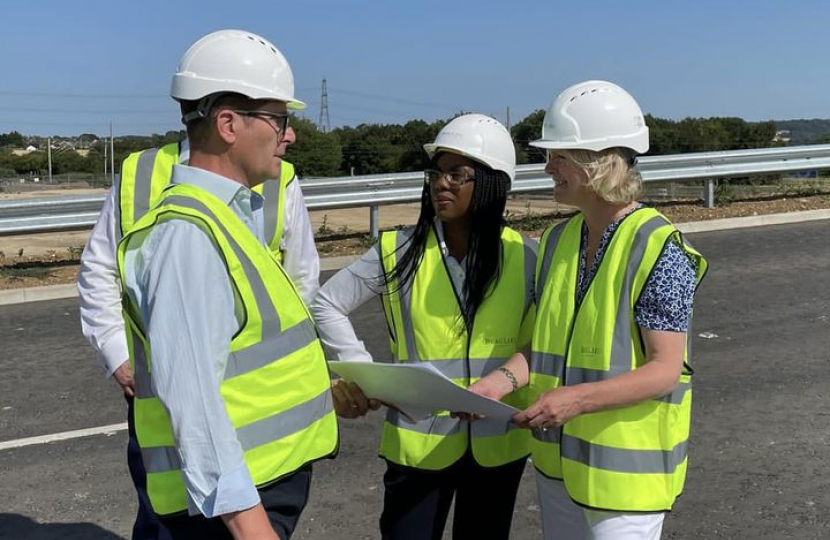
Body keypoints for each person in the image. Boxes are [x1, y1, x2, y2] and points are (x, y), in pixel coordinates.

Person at [76, 32, 320, 540]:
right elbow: (195, 402)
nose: (290, 135)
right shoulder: (189, 235)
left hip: (251, 477)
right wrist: (250, 525)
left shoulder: (222, 214)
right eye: (279, 120)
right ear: (228, 124)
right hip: (232, 503)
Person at [469, 80, 708, 539]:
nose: (547, 168)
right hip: (559, 466)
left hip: (625, 484)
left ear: (599, 162)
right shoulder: (559, 241)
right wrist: (497, 385)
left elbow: (665, 369)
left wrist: (573, 401)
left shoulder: (661, 249)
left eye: (559, 156)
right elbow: (545, 347)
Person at [311, 114, 537, 540]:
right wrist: (364, 372)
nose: (441, 184)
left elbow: (546, 338)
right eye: (437, 173)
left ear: (491, 183)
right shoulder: (397, 251)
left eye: (458, 174)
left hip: (497, 445)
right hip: (418, 445)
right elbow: (327, 302)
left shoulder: (526, 257)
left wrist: (506, 379)